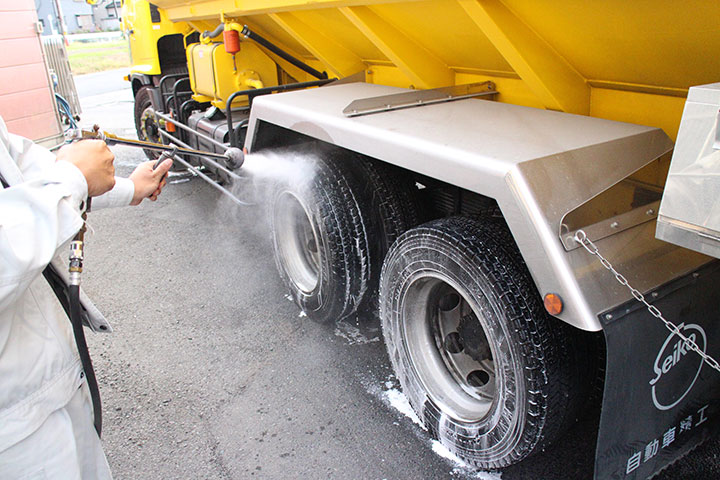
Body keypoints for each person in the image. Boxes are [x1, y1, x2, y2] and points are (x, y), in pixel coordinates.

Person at [0, 115, 172, 478]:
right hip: (13, 429)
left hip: (48, 386)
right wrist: (73, 179)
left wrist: (127, 187)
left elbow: (21, 173)